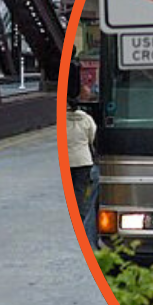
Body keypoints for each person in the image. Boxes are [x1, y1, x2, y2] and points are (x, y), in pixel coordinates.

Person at [65, 60, 100, 249]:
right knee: (81, 193)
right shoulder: (85, 119)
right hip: (83, 160)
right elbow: (93, 137)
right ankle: (80, 222)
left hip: (67, 162)